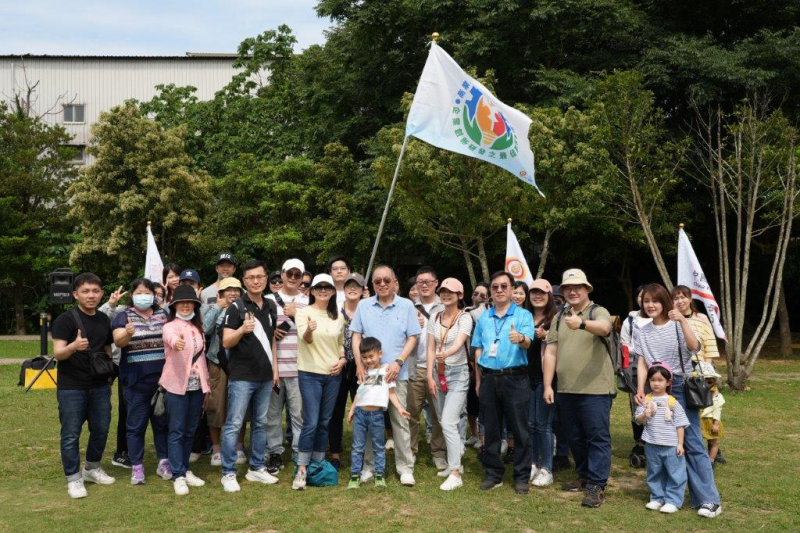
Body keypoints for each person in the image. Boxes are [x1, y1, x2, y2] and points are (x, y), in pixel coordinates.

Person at [632, 283, 723, 518]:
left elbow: (694, 347)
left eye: (655, 300)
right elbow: (642, 362)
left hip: (679, 388)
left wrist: (682, 321)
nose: (650, 305)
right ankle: (664, 494)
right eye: (646, 301)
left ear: (665, 302)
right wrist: (641, 388)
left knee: (691, 443)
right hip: (654, 391)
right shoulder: (643, 330)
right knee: (658, 442)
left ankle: (709, 500)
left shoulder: (678, 325)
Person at [543, 269, 614, 508]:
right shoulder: (559, 315)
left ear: (587, 289)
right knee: (574, 437)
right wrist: (547, 385)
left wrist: (582, 323)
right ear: (562, 292)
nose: (572, 291)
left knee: (597, 437)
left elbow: (605, 328)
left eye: (578, 288)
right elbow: (551, 351)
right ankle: (584, 476)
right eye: (568, 288)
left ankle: (597, 484)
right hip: (566, 388)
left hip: (596, 388)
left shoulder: (597, 311)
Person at [350, 265, 421, 486]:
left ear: (394, 282)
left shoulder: (406, 305)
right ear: (372, 284)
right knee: (370, 421)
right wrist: (359, 364)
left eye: (386, 280)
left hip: (395, 374)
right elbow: (356, 336)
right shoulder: (363, 305)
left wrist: (399, 361)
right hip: (370, 374)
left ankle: (405, 467)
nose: (382, 284)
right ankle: (369, 466)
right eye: (377, 281)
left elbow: (413, 337)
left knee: (400, 420)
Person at [51, 272, 116, 498]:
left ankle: (91, 468)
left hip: (99, 386)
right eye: (86, 291)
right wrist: (74, 346)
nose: (91, 296)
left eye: (95, 291)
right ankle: (73, 478)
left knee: (101, 429)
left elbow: (107, 349)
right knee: (71, 434)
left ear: (101, 294)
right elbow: (58, 353)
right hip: (71, 387)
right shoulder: (65, 320)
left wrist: (109, 374)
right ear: (75, 294)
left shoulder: (103, 319)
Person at [472, 271, 535, 495]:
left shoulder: (523, 315)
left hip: (515, 378)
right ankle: (493, 473)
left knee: (519, 429)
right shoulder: (484, 318)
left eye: (504, 286)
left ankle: (521, 476)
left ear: (511, 289)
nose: (499, 290)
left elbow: (528, 342)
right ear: (491, 291)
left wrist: (520, 338)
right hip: (489, 378)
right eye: (495, 287)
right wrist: (479, 379)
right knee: (491, 429)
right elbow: (478, 347)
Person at [219, 260, 279, 492]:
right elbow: (226, 341)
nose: (256, 281)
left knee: (261, 423)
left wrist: (274, 370)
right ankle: (228, 472)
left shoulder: (271, 305)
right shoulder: (236, 307)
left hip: (265, 376)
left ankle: (256, 468)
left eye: (260, 277)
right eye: (251, 278)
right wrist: (242, 330)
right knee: (234, 424)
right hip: (242, 376)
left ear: (265, 279)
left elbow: (272, 340)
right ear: (244, 281)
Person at [111, 278, 170, 485]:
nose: (143, 295)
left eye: (147, 292)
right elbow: (118, 340)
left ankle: (164, 461)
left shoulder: (164, 315)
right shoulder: (123, 316)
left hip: (162, 382)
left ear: (154, 295)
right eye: (139, 292)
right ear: (132, 295)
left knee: (162, 423)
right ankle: (137, 466)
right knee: (136, 425)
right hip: (135, 382)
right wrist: (126, 334)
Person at [292, 274, 346, 489]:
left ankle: (317, 463)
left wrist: (342, 360)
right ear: (312, 290)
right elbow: (304, 338)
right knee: (311, 422)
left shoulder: (337, 316)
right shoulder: (303, 313)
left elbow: (341, 343)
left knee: (325, 421)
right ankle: (302, 469)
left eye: (327, 287)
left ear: (333, 291)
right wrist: (309, 329)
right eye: (319, 287)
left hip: (333, 374)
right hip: (310, 372)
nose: (323, 290)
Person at [160, 285, 210, 495]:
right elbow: (171, 339)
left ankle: (186, 469)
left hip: (197, 387)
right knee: (177, 430)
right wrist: (176, 343)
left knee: (190, 429)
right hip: (176, 386)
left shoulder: (198, 328)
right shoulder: (170, 326)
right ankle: (177, 474)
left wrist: (206, 387)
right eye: (182, 302)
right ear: (175, 305)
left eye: (190, 303)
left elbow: (203, 359)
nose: (186, 305)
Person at [426, 278, 473, 490]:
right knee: (443, 420)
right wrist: (429, 375)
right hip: (438, 373)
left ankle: (455, 472)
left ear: (460, 295)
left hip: (458, 374)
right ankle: (454, 464)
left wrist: (445, 353)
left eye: (451, 292)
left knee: (448, 421)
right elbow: (430, 347)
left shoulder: (465, 317)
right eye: (443, 291)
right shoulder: (435, 316)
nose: (446, 295)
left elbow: (459, 342)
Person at [347, 337, 411, 489]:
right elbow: (359, 393)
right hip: (361, 415)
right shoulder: (363, 372)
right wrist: (352, 410)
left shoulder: (386, 370)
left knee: (378, 446)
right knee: (357, 446)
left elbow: (392, 394)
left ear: (380, 354)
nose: (368, 360)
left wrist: (400, 408)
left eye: (371, 356)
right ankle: (355, 475)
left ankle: (379, 474)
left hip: (376, 416)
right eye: (364, 357)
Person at [265, 258, 308, 474]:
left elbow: (313, 334)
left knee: (299, 414)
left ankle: (300, 451)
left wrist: (297, 315)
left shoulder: (308, 302)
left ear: (301, 278)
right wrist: (271, 332)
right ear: (281, 274)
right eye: (289, 274)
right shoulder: (267, 300)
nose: (292, 278)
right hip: (273, 368)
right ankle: (274, 452)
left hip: (299, 367)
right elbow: (259, 334)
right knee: (272, 415)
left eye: (297, 275)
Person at [634, 362, 690, 514]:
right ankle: (657, 498)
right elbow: (638, 420)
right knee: (654, 472)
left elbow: (680, 424)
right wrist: (644, 415)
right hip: (651, 443)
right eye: (653, 380)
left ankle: (673, 501)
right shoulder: (646, 400)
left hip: (671, 445)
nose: (656, 383)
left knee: (675, 473)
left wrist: (680, 444)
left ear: (668, 382)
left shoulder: (672, 402)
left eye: (660, 380)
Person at [202, 277, 246, 466]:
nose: (233, 293)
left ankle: (239, 447)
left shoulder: (246, 309)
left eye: (236, 290)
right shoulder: (213, 308)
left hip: (241, 365)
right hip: (217, 363)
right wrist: (218, 308)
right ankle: (217, 448)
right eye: (228, 290)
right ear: (220, 294)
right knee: (216, 406)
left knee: (240, 406)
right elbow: (206, 328)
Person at [407, 266, 447, 471]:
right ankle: (410, 452)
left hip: (438, 368)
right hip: (414, 366)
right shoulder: (407, 307)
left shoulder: (446, 306)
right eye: (420, 282)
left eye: (428, 282)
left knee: (439, 413)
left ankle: (439, 453)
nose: (423, 285)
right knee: (411, 413)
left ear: (436, 283)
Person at [329, 273, 366, 471]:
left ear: (362, 290)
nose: (352, 289)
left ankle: (360, 455)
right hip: (338, 365)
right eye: (349, 285)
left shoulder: (368, 309)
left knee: (362, 411)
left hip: (362, 366)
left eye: (356, 286)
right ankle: (335, 453)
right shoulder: (334, 309)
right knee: (335, 412)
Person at [525, 278, 558, 488]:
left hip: (547, 378)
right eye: (534, 293)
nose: (537, 296)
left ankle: (547, 467)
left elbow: (560, 348)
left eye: (542, 293)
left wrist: (547, 337)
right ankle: (533, 463)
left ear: (549, 296)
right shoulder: (523, 317)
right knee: (529, 424)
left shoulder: (555, 318)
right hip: (524, 377)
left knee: (543, 424)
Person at [100, 285, 131, 469]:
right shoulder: (122, 311)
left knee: (130, 409)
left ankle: (126, 450)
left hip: (137, 365)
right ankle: (120, 452)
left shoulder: (158, 312)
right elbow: (101, 319)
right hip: (114, 362)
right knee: (106, 407)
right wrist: (111, 304)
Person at [620, 285, 651, 468]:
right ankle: (640, 443)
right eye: (642, 297)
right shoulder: (630, 321)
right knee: (638, 406)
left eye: (649, 297)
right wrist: (640, 351)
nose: (645, 301)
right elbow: (624, 344)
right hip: (634, 368)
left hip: (659, 371)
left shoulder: (663, 319)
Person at [671, 285, 721, 364]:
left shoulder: (701, 318)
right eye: (676, 299)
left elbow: (710, 344)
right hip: (676, 367)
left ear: (690, 299)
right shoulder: (670, 321)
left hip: (699, 366)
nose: (680, 301)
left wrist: (707, 366)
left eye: (683, 297)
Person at [697, 362, 725, 465]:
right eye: (706, 377)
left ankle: (711, 462)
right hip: (698, 420)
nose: (710, 380)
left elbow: (718, 408)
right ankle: (699, 460)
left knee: (713, 442)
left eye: (712, 377)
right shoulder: (695, 390)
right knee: (697, 441)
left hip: (710, 420)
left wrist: (716, 423)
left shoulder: (715, 393)